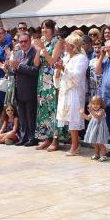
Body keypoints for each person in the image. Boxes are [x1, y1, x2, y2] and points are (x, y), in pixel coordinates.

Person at [54, 34, 89, 156]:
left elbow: (77, 76)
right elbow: (59, 75)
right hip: (65, 90)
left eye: (67, 44)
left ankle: (75, 145)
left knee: (74, 118)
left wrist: (63, 68)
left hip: (74, 91)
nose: (64, 45)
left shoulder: (82, 58)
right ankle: (74, 144)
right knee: (68, 118)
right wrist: (58, 70)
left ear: (73, 46)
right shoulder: (66, 57)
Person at [35, 21, 65, 151]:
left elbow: (52, 61)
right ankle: (46, 137)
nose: (44, 30)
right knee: (43, 108)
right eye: (42, 27)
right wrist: (38, 50)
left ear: (53, 30)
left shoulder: (57, 41)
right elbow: (36, 63)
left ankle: (55, 139)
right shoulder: (43, 42)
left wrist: (42, 48)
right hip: (42, 78)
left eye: (47, 27)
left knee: (53, 108)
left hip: (53, 78)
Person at [83, 95, 110, 162]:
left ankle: (104, 155)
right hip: (93, 129)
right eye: (93, 104)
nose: (95, 105)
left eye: (97, 104)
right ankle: (96, 154)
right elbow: (88, 118)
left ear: (101, 105)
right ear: (91, 104)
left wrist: (91, 111)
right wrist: (82, 114)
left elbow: (98, 116)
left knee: (99, 142)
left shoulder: (101, 110)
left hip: (100, 128)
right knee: (95, 143)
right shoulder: (93, 112)